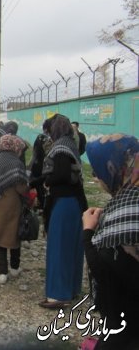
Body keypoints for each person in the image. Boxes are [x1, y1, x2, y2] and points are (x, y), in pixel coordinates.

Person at [82, 134, 139, 349]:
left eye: (98, 171)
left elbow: (105, 276)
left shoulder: (122, 215)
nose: (96, 177)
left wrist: (88, 232)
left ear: (117, 168)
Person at [39, 114, 88, 309]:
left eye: (50, 131)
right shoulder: (70, 144)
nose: (49, 135)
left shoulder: (59, 148)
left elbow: (60, 175)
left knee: (59, 248)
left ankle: (58, 295)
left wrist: (46, 180)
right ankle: (71, 289)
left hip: (64, 203)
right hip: (74, 202)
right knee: (72, 247)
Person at [0, 135, 29, 284]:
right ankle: (14, 268)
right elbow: (21, 188)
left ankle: (2, 272)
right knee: (13, 236)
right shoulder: (17, 163)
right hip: (13, 203)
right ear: (14, 146)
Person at [28, 119, 52, 213]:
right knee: (43, 187)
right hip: (46, 167)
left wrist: (30, 167)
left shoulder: (39, 137)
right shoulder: (50, 140)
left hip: (37, 166)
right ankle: (43, 205)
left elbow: (34, 154)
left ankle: (41, 204)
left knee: (38, 186)